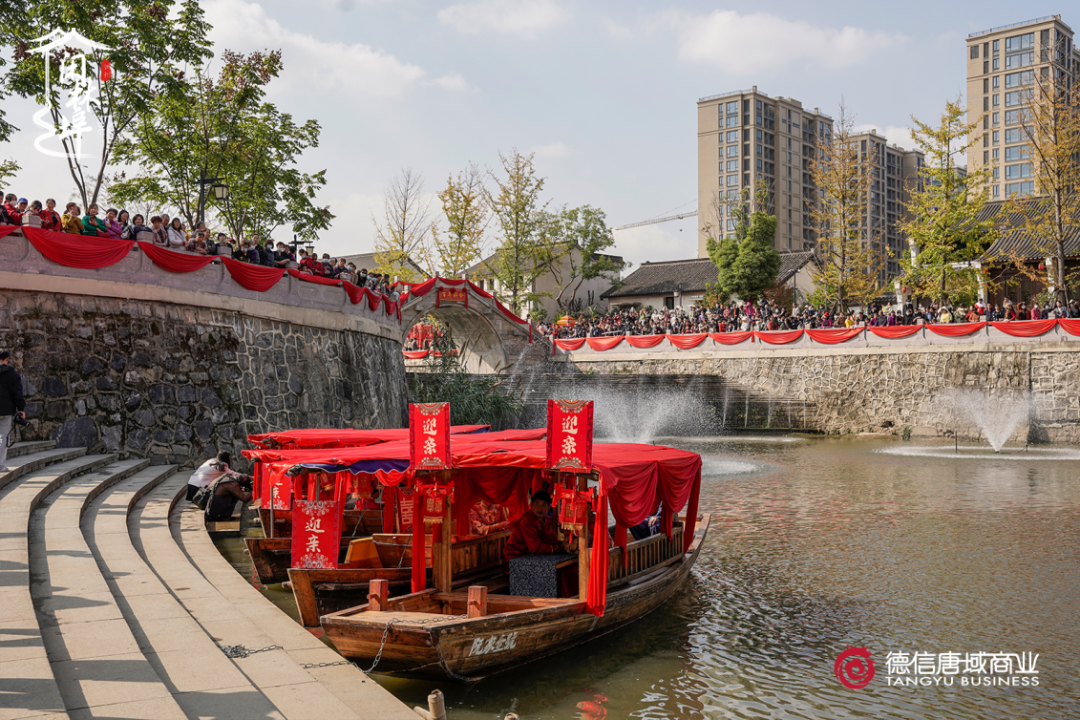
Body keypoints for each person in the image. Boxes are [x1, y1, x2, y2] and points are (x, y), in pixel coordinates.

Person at [502, 490, 574, 571]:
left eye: (543, 505)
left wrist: (563, 544)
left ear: (548, 508)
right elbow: (534, 547)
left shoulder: (546, 520)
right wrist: (556, 548)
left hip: (531, 554)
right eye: (536, 504)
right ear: (531, 505)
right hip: (515, 557)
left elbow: (547, 539)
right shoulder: (527, 520)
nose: (540, 508)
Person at [0, 350, 26, 473]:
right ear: (6, 359)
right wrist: (21, 409)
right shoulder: (13, 374)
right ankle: (0, 465)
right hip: (6, 409)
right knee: (3, 437)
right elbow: (18, 394)